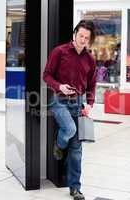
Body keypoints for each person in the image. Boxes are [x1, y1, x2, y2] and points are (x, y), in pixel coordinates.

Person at [43, 20, 96, 200]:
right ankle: (59, 144)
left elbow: (92, 84)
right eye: (80, 36)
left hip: (78, 102)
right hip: (59, 100)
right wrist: (60, 86)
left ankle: (75, 188)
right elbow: (46, 75)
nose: (83, 40)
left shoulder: (90, 59)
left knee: (76, 150)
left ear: (90, 40)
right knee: (70, 129)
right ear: (74, 34)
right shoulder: (60, 52)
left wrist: (89, 103)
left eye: (86, 38)